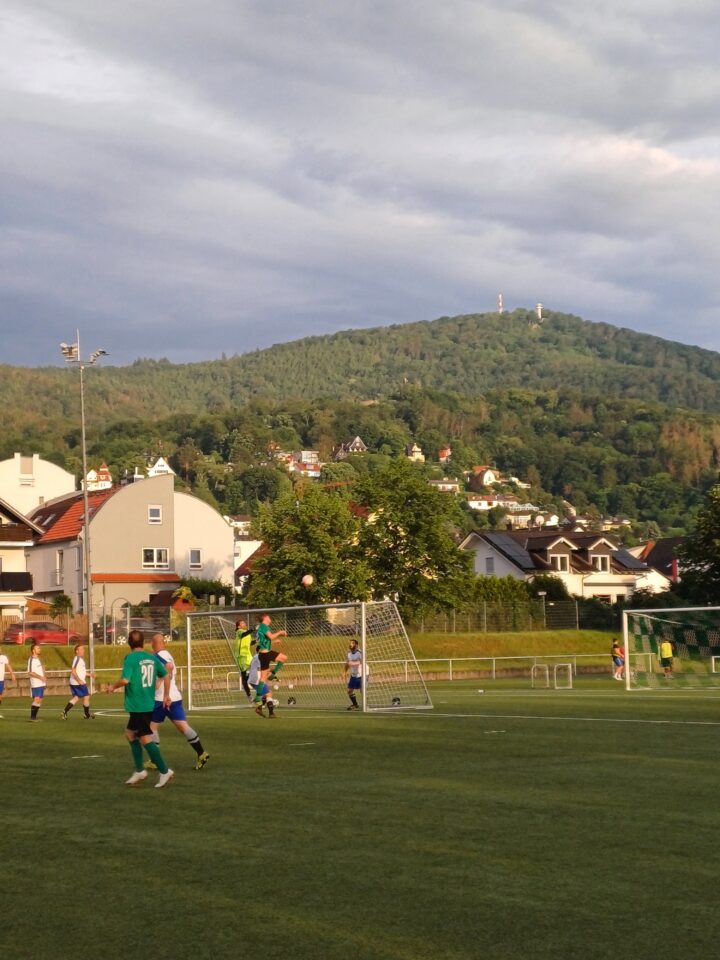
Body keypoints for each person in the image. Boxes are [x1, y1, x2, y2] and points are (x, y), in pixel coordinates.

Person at [107, 629, 174, 788]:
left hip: (138, 705)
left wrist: (112, 687)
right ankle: (139, 770)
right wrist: (166, 695)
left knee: (144, 738)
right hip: (146, 703)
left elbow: (124, 679)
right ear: (143, 643)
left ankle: (164, 771)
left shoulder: (130, 658)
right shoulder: (151, 658)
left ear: (129, 643)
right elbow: (165, 675)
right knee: (130, 734)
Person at [149, 633, 209, 769]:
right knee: (183, 726)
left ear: (154, 643)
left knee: (151, 728)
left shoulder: (159, 656)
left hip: (161, 698)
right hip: (174, 697)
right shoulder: (167, 653)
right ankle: (201, 753)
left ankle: (154, 761)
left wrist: (159, 681)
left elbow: (168, 666)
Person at [60, 643, 95, 719]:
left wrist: (90, 674)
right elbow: (73, 671)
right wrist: (79, 680)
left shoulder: (80, 659)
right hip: (78, 682)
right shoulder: (77, 659)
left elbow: (81, 672)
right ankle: (86, 714)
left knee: (76, 698)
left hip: (75, 682)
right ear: (77, 651)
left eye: (83, 649)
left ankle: (64, 712)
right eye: (81, 649)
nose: (83, 651)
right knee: (86, 697)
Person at [255, 613, 288, 685]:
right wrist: (280, 632)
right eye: (269, 617)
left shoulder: (260, 627)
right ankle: (272, 674)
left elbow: (263, 642)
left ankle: (258, 696)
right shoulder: (264, 626)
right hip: (266, 654)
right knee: (284, 658)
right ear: (265, 618)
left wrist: (274, 642)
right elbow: (271, 637)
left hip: (262, 654)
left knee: (263, 678)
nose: (270, 619)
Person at [248, 646, 277, 718]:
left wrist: (270, 672)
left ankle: (259, 708)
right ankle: (271, 713)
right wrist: (271, 672)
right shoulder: (259, 657)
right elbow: (262, 668)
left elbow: (261, 668)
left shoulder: (256, 657)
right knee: (269, 693)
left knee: (265, 694)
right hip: (257, 680)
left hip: (255, 679)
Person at [234, 619, 254, 700]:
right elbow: (244, 634)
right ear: (239, 626)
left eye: (244, 622)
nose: (244, 623)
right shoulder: (239, 631)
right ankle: (249, 695)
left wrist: (256, 641)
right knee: (244, 677)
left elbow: (249, 643)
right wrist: (252, 629)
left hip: (248, 656)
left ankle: (257, 688)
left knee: (257, 670)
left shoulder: (248, 634)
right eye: (242, 623)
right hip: (241, 657)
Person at [27, 644, 47, 722]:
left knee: (40, 699)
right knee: (37, 699)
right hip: (36, 683)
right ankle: (32, 717)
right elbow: (30, 672)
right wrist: (41, 677)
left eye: (39, 648)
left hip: (41, 682)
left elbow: (42, 669)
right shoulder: (31, 659)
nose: (39, 649)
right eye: (37, 648)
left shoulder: (39, 659)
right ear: (33, 650)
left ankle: (34, 717)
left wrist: (44, 676)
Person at [344, 638, 363, 710]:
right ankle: (355, 705)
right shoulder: (349, 654)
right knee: (349, 691)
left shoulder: (359, 653)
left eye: (352, 643)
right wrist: (344, 672)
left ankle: (366, 705)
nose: (350, 644)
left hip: (360, 674)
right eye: (350, 643)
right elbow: (347, 664)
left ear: (356, 645)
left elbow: (362, 662)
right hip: (353, 675)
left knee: (362, 690)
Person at [0, 650, 17, 717]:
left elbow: (8, 665)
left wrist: (12, 674)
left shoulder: (3, 657)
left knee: (0, 696)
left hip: (1, 680)